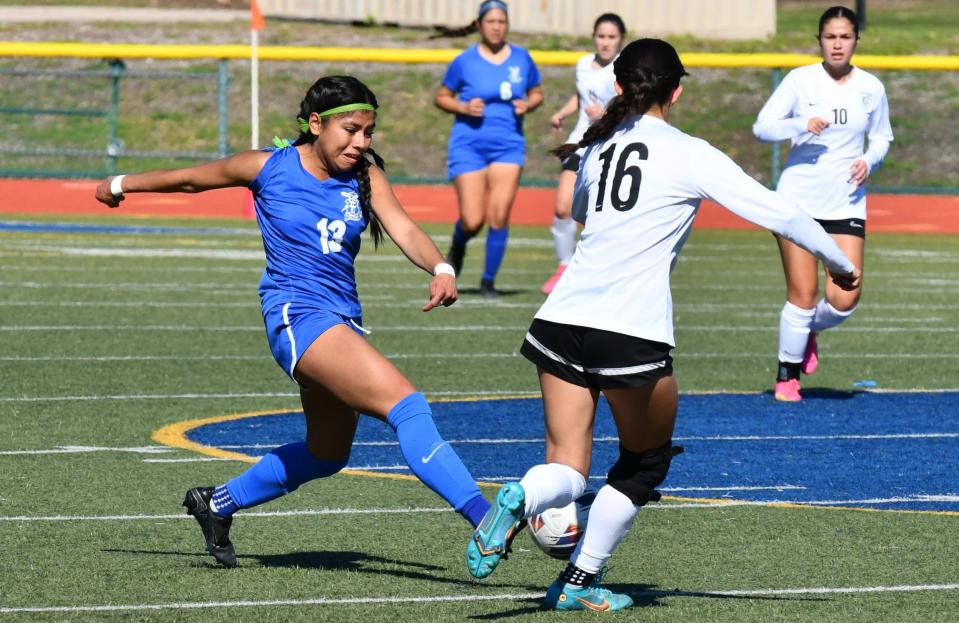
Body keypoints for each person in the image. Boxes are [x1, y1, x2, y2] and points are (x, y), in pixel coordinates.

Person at [465, 39, 861, 611]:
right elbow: (779, 210)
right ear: (676, 90)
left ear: (620, 87)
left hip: (558, 320)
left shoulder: (600, 146)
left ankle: (524, 492)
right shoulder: (688, 152)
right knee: (644, 463)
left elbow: (578, 212)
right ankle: (578, 583)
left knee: (568, 468)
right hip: (629, 328)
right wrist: (840, 262)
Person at [94, 75, 491, 568]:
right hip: (297, 317)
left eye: (369, 132)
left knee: (327, 453)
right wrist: (118, 185)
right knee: (407, 407)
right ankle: (483, 516)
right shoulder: (269, 166)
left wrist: (442, 267)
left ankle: (217, 503)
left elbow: (404, 226)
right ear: (317, 124)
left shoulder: (365, 175)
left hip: (340, 321)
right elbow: (190, 179)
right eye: (350, 130)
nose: (361, 142)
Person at [753, 6, 892, 402]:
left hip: (846, 202)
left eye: (845, 37)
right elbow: (763, 127)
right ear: (819, 40)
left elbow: (882, 136)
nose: (837, 44)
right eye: (830, 37)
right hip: (798, 201)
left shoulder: (871, 88)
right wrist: (801, 124)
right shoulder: (800, 81)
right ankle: (787, 376)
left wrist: (870, 159)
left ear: (855, 41)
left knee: (846, 296)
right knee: (803, 292)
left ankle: (808, 330)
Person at [434, 0, 544, 298]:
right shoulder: (464, 61)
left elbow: (537, 92)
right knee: (473, 219)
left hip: (508, 146)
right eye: (491, 21)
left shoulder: (521, 58)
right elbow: (442, 96)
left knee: (500, 215)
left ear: (507, 25)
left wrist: (529, 103)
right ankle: (458, 244)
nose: (497, 26)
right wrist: (462, 106)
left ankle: (487, 281)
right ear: (480, 24)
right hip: (468, 146)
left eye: (502, 21)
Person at [542, 13, 626, 295]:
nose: (605, 42)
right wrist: (562, 113)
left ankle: (605, 268)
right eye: (601, 36)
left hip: (610, 146)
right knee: (562, 207)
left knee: (604, 213)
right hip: (580, 142)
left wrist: (605, 114)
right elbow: (582, 94)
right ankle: (564, 267)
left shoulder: (624, 68)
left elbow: (631, 104)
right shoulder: (582, 65)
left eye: (611, 37)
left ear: (621, 40)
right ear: (594, 37)